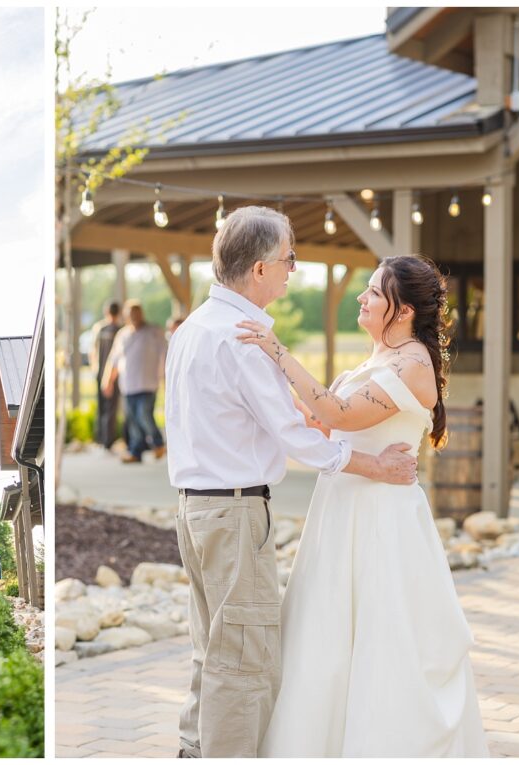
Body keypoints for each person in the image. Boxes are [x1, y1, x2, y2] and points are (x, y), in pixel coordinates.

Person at [164, 206, 418, 758]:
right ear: (258, 269)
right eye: (288, 259)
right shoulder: (242, 337)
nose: (292, 270)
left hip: (193, 509)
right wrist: (375, 466)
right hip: (233, 514)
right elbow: (296, 438)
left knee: (212, 649)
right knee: (244, 658)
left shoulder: (191, 329)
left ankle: (193, 750)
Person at [237, 255, 488, 756]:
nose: (362, 297)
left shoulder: (411, 364)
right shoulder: (377, 360)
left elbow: (339, 413)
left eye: (374, 291)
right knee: (326, 632)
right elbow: (319, 420)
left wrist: (278, 352)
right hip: (343, 510)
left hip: (380, 521)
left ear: (403, 311)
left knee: (380, 637)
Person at [102, 300, 168, 463]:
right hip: (128, 385)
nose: (134, 317)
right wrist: (108, 380)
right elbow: (114, 360)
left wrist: (166, 379)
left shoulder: (154, 332)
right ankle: (135, 452)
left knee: (143, 415)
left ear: (142, 313)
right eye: (131, 314)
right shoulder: (123, 335)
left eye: (137, 313)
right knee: (132, 421)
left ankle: (158, 442)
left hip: (148, 383)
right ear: (126, 316)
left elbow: (166, 356)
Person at [89, 300, 123, 450]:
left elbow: (92, 351)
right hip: (115, 374)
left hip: (101, 372)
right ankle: (108, 440)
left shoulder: (99, 328)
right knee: (111, 407)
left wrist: (95, 370)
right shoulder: (120, 330)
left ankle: (101, 438)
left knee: (102, 406)